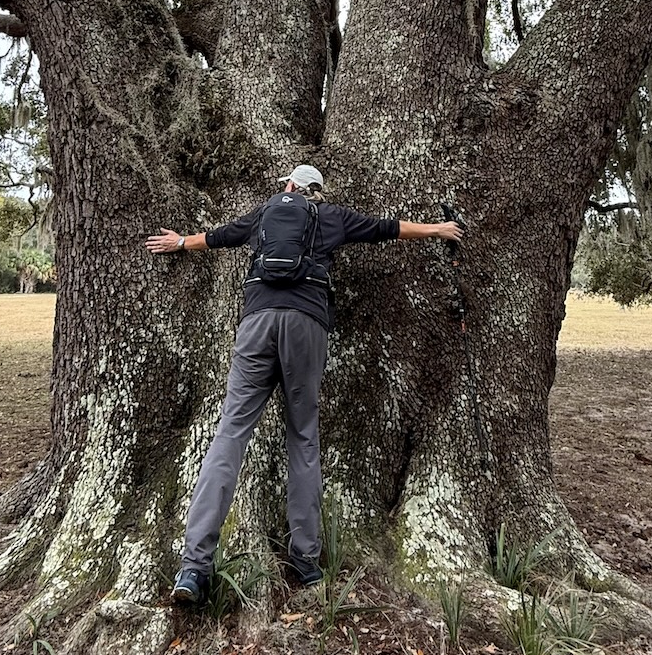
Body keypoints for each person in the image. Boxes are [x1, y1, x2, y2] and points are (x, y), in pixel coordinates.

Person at [145, 164, 463, 602]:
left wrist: (180, 241)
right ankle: (306, 560)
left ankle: (194, 568)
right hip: (306, 326)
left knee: (230, 435)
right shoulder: (331, 216)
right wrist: (437, 230)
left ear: (290, 187)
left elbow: (217, 237)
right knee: (303, 438)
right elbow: (388, 229)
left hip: (256, 323)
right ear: (315, 192)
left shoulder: (263, 213)